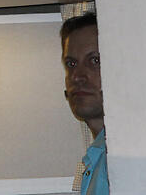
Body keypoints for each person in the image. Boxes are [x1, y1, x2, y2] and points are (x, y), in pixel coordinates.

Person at [61, 13, 109, 195]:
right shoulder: (97, 157)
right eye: (71, 64)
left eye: (94, 61)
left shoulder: (129, 154)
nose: (77, 76)